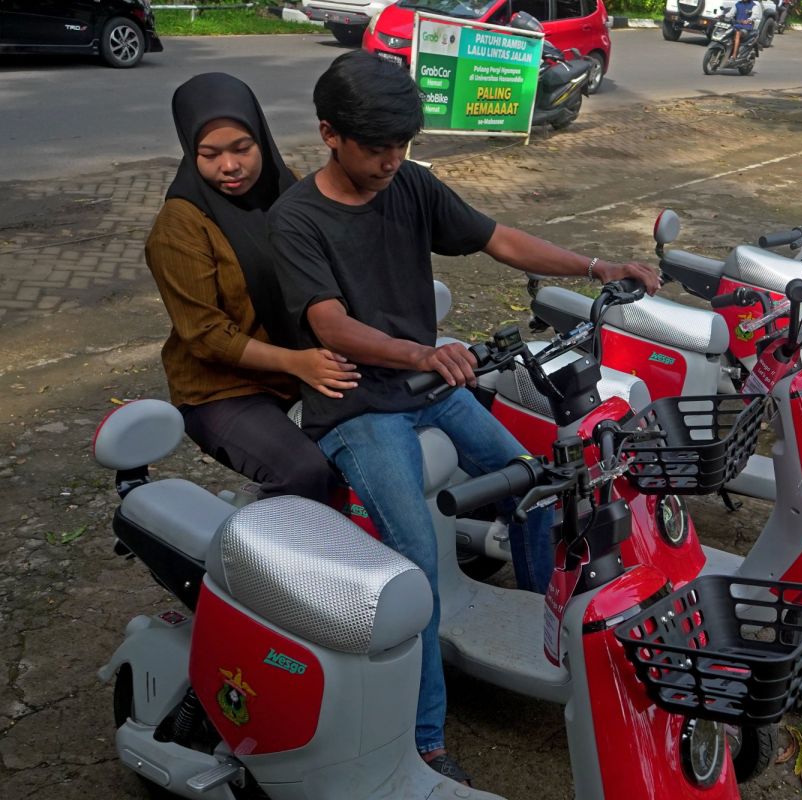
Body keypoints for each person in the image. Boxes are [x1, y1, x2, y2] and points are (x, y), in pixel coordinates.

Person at [268, 50, 660, 786]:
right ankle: (422, 733)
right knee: (414, 556)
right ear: (329, 133)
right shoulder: (296, 219)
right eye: (376, 147)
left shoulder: (411, 184)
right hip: (356, 401)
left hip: (427, 381)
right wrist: (419, 350)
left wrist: (596, 267)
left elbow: (497, 237)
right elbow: (329, 324)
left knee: (540, 482)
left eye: (402, 145)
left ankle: (548, 632)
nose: (391, 160)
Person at [145, 73, 359, 502]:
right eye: (210, 154)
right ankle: (256, 557)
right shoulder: (180, 225)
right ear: (191, 151)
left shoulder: (289, 188)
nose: (229, 166)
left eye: (242, 148)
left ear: (261, 137)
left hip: (298, 367)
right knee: (304, 472)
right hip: (222, 389)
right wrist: (298, 363)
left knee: (378, 437)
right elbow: (206, 337)